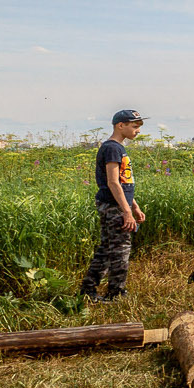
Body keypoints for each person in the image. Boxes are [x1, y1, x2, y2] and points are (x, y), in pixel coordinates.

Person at [80, 109, 147, 304]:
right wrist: (126, 212)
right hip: (113, 206)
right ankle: (116, 293)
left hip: (117, 205)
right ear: (120, 125)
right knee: (120, 250)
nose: (138, 131)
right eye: (134, 127)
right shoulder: (112, 148)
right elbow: (113, 182)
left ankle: (88, 290)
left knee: (107, 249)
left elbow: (124, 183)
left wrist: (134, 206)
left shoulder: (119, 148)